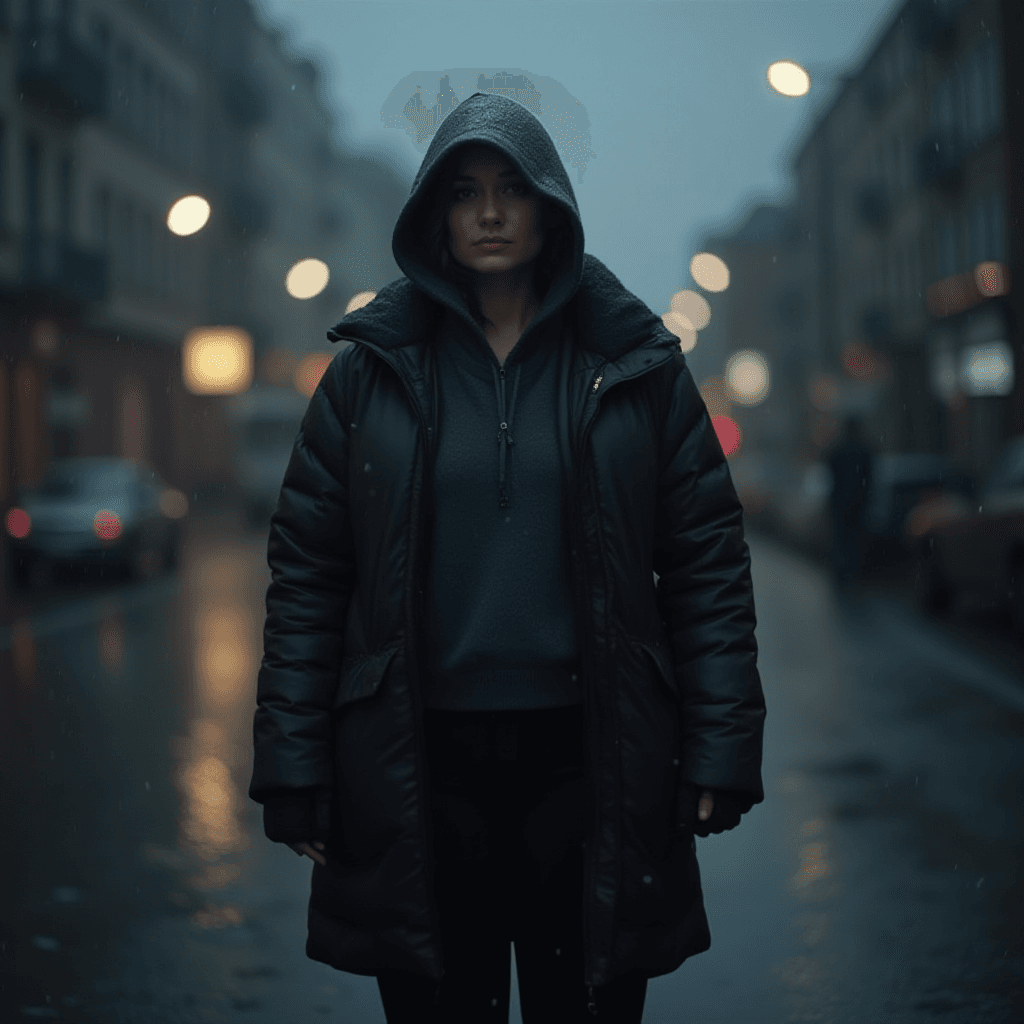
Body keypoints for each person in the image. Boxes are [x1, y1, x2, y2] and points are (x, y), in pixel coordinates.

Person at [249, 92, 766, 1023]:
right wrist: (293, 765)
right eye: (464, 193)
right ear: (434, 216)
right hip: (417, 767)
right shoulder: (369, 372)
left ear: (550, 206)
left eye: (511, 190)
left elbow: (705, 564)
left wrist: (722, 744)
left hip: (592, 762)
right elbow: (310, 576)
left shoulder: (637, 362)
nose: (489, 213)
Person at [824, 414, 875, 588]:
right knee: (853, 540)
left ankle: (842, 573)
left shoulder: (839, 450)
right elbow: (870, 477)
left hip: (841, 502)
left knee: (841, 539)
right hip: (857, 502)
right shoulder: (864, 450)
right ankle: (851, 573)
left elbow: (830, 472)